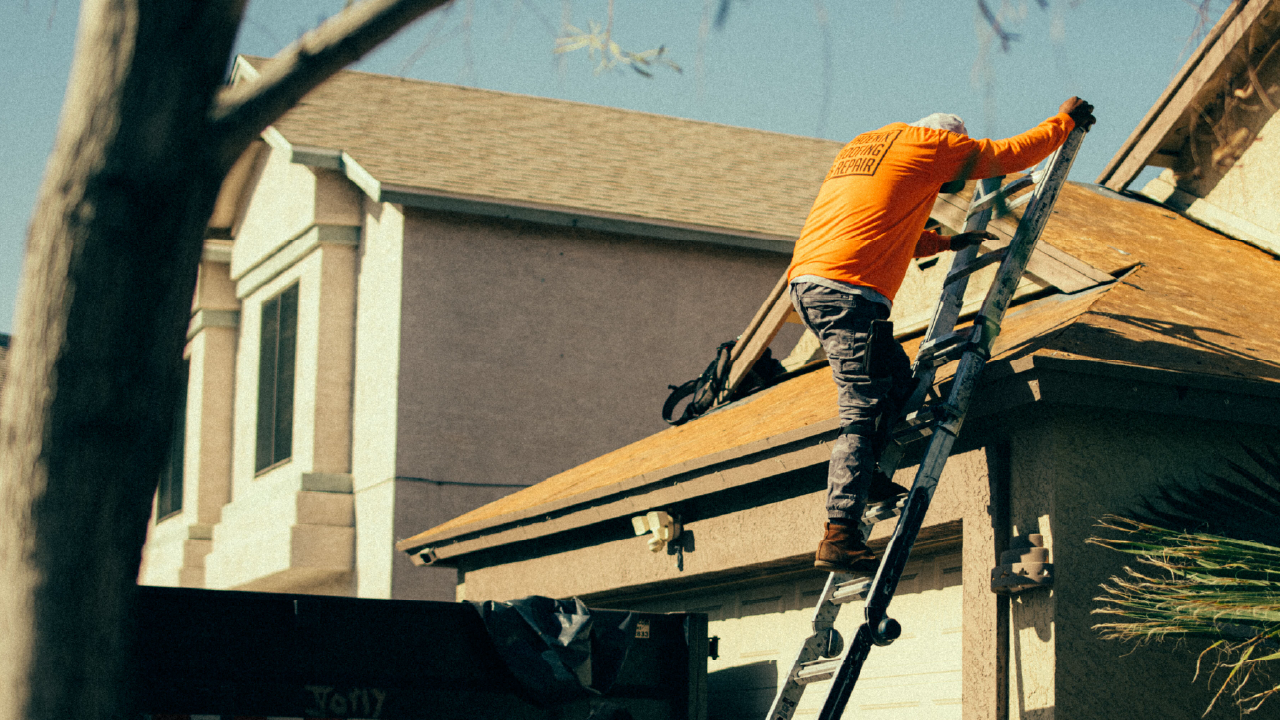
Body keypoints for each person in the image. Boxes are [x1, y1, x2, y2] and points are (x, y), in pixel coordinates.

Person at [788, 97, 1096, 573]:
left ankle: (867, 479)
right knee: (863, 407)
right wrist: (1065, 122)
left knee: (897, 378)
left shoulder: (871, 146)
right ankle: (839, 531)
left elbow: (884, 222)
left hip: (813, 282)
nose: (949, 188)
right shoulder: (934, 144)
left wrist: (947, 242)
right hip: (849, 291)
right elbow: (1007, 154)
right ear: (949, 140)